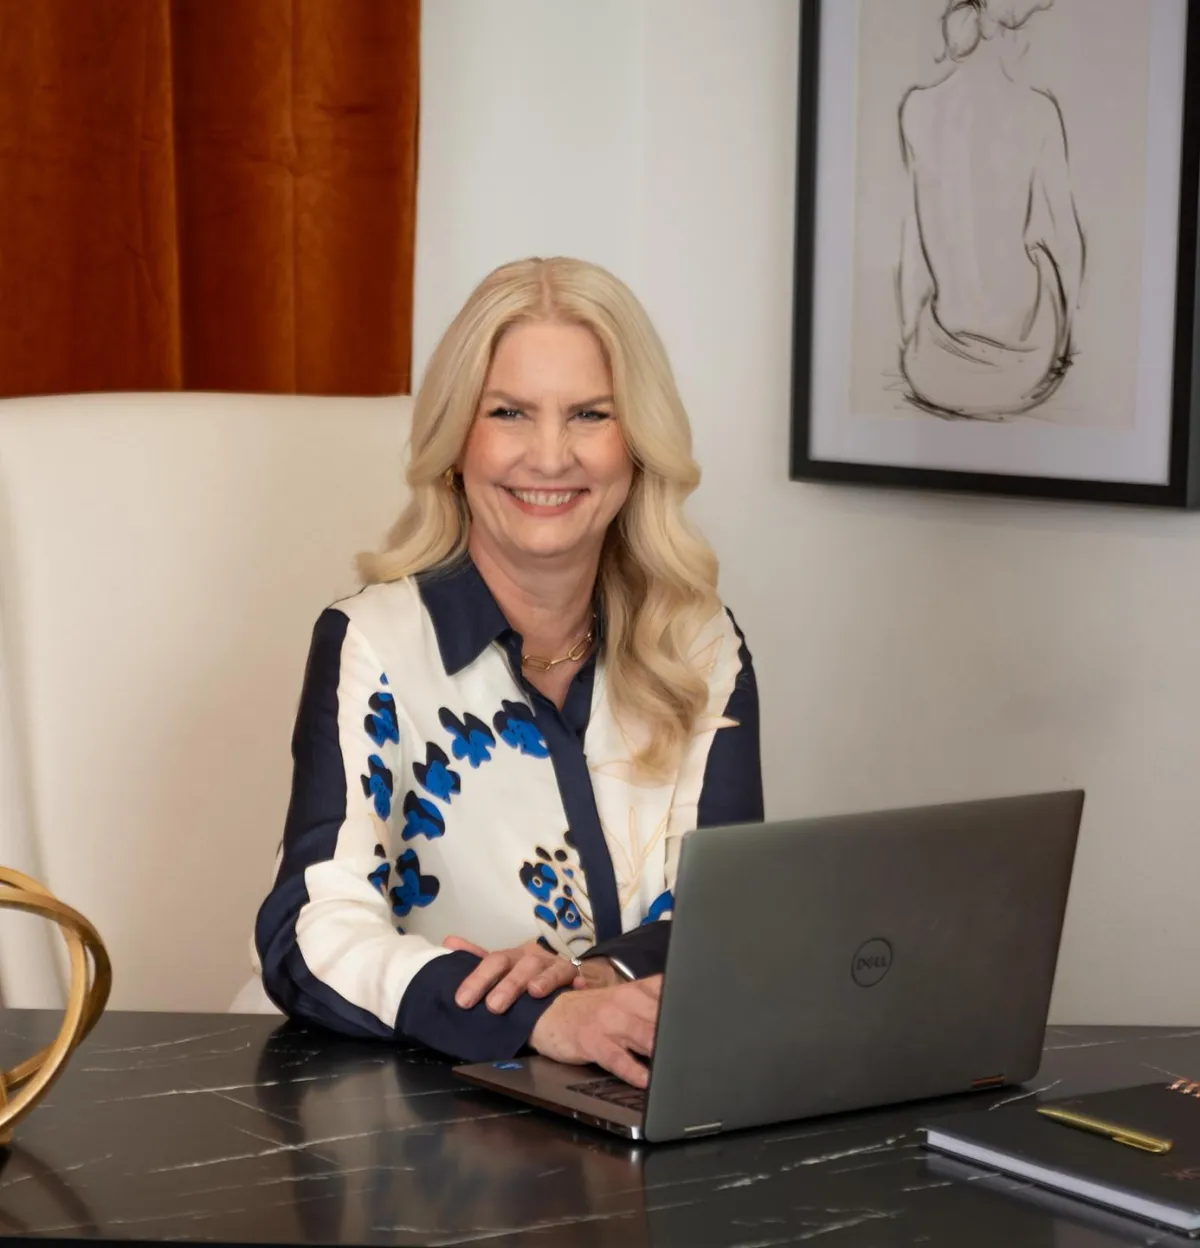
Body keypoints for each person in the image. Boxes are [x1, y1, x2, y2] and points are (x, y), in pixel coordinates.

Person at [253, 257, 763, 1088]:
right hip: (402, 1102)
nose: (551, 456)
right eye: (509, 413)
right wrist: (536, 1015)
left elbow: (729, 912)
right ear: (458, 443)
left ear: (637, 444)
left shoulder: (698, 644)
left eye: (590, 414)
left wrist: (590, 985)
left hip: (629, 1087)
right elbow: (311, 930)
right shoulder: (372, 642)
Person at [896, 0, 1084, 419]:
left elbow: (913, 240)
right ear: (1007, 31)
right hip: (1023, 368)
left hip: (933, 369)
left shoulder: (916, 108)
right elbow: (1066, 241)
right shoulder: (1039, 111)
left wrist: (913, 336)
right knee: (1043, 254)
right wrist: (1065, 340)